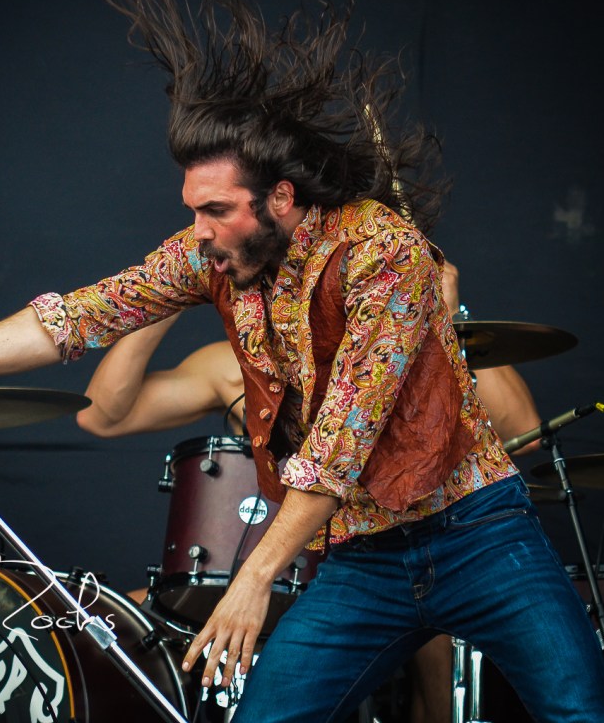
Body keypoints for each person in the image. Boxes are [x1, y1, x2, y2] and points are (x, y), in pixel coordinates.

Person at [0, 0, 604, 722]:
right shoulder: (213, 253)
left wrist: (254, 578)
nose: (197, 229)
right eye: (192, 210)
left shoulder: (384, 254)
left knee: (581, 709)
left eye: (214, 210)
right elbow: (76, 318)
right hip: (363, 557)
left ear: (281, 198)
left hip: (478, 533)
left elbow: (340, 443)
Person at [75, 259, 544, 723]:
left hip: (376, 565)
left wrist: (446, 316)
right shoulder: (241, 363)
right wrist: (168, 292)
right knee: (104, 625)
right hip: (266, 570)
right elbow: (102, 415)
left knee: (435, 632)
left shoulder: (405, 355)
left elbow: (523, 430)